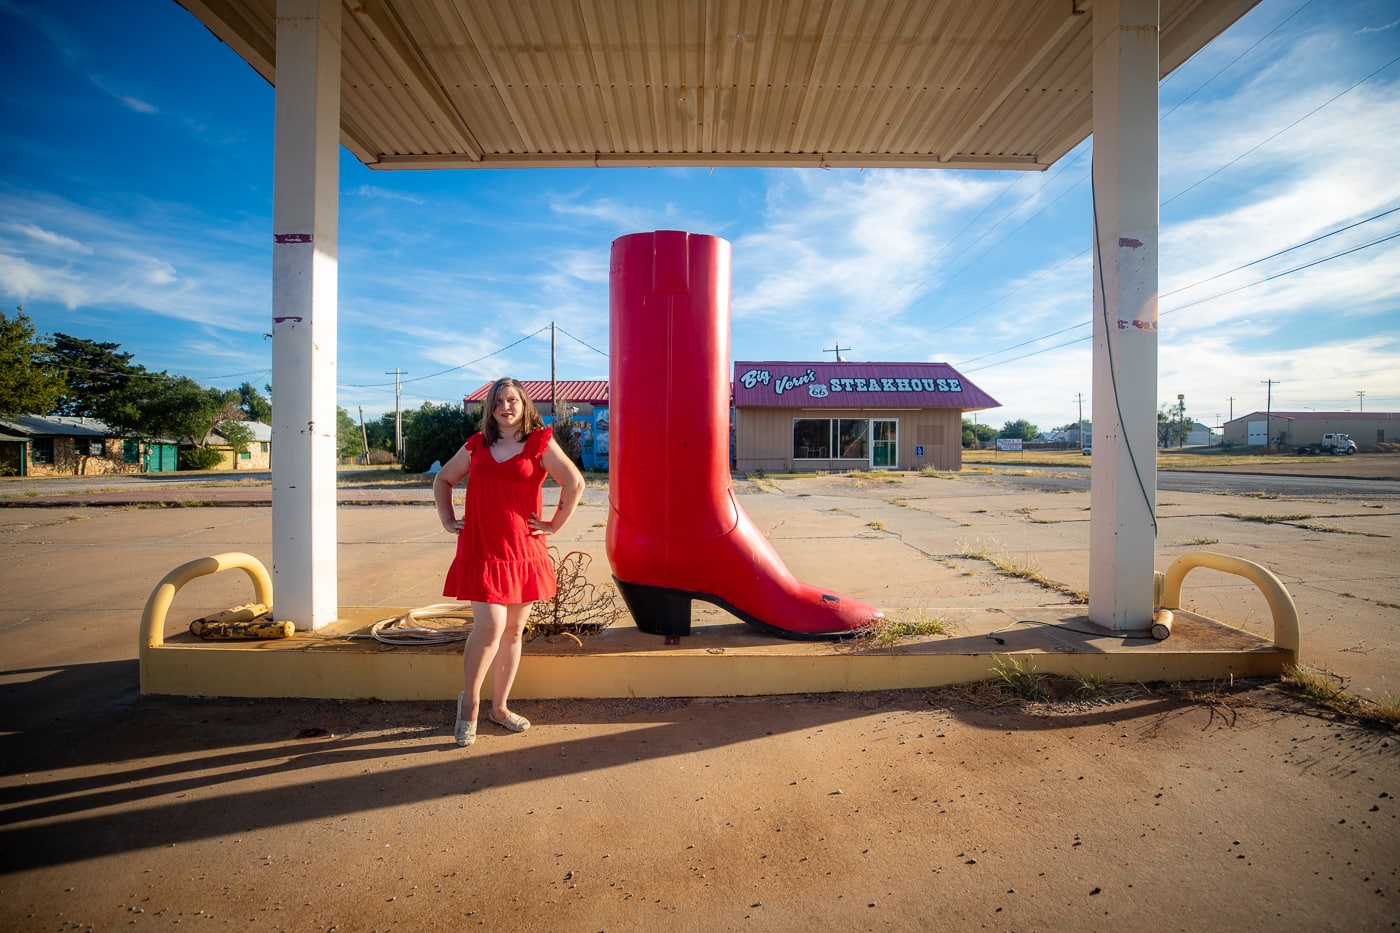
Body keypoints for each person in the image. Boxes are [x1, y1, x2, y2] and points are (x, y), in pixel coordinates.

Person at [433, 377, 586, 748]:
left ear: (524, 405)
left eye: (513, 400)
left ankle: (499, 708)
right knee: (490, 626)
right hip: (483, 548)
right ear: (491, 408)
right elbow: (443, 480)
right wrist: (449, 520)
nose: (506, 406)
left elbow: (574, 482)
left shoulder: (539, 443)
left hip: (522, 549)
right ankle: (469, 701)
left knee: (514, 631)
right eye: (499, 401)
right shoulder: (477, 446)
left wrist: (552, 524)